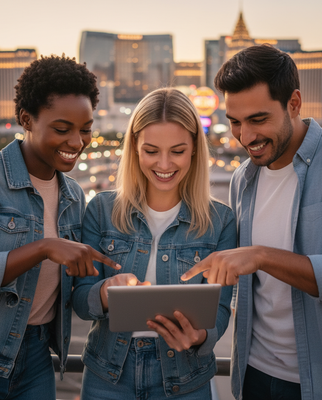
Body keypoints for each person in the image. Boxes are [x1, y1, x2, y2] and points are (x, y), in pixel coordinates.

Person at [0, 55, 120, 400]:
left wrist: (111, 287)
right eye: (61, 128)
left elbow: (76, 298)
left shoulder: (74, 196)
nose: (77, 142)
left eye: (85, 129)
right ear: (26, 119)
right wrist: (41, 249)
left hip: (38, 361)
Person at [181, 44, 322, 400]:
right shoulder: (243, 179)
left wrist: (261, 256)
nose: (246, 136)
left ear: (294, 103)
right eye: (235, 122)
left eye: (258, 119)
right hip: (253, 374)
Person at [73, 87, 237, 399]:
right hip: (108, 375)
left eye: (177, 151)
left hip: (185, 378)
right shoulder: (100, 210)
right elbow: (81, 301)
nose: (164, 164)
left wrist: (198, 335)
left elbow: (220, 310)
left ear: (193, 150)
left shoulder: (221, 221)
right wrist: (105, 293)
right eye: (151, 151)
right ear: (134, 146)